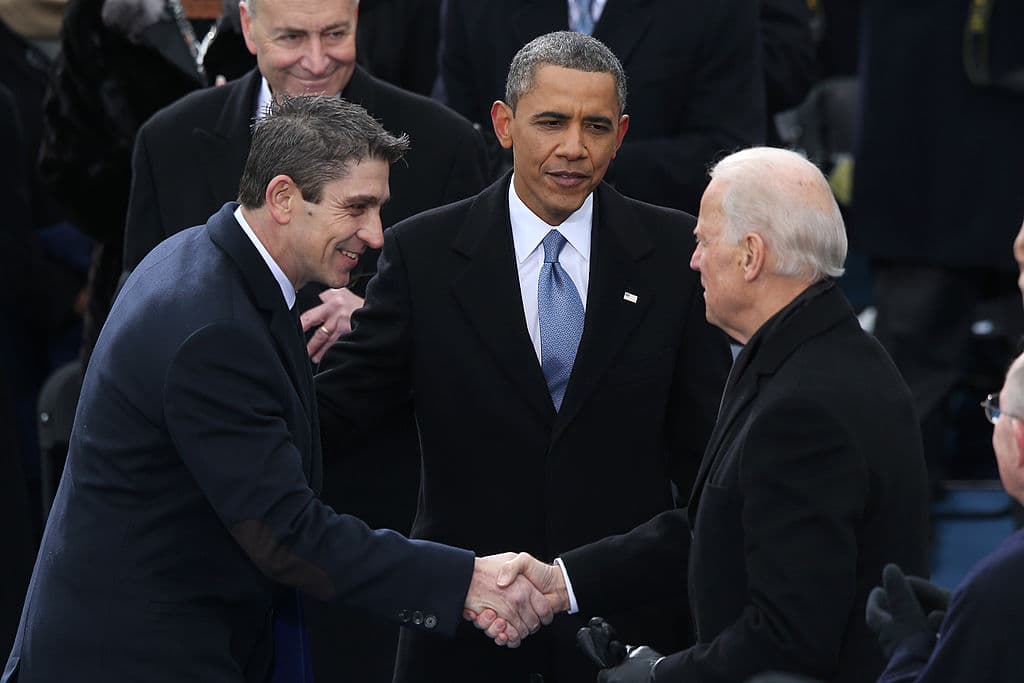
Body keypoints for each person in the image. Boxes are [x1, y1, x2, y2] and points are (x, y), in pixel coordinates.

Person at [2, 95, 553, 683]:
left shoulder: (211, 263)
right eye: (357, 208)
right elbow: (286, 534)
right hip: (136, 659)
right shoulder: (214, 328)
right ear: (284, 197)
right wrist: (465, 581)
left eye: (380, 209)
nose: (375, 235)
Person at [315, 30, 731, 683]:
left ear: (620, 135)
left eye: (595, 126)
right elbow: (332, 414)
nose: (573, 147)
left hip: (625, 637)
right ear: (504, 125)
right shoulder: (423, 254)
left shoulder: (676, 256)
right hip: (462, 635)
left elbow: (711, 466)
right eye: (551, 122)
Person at [122, 1, 490, 676]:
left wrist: (383, 316)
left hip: (377, 519)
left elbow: (481, 349)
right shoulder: (171, 141)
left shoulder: (441, 144)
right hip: (208, 541)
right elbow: (132, 329)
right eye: (293, 36)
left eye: (336, 34)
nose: (317, 61)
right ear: (248, 25)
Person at [492, 147, 932, 682]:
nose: (694, 259)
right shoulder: (812, 354)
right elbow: (717, 527)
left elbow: (789, 639)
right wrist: (563, 582)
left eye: (703, 241)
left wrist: (660, 676)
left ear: (751, 256)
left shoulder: (804, 407)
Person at [434, 0, 764, 213]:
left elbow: (728, 150)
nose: (572, 148)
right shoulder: (476, 8)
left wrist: (590, 166)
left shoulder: (716, 9)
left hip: (659, 249)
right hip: (503, 241)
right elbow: (459, 136)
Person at [860, 351, 1024, 683]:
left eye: (997, 413)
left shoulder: (1004, 580)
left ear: (1019, 441)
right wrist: (965, 620)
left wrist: (909, 649)